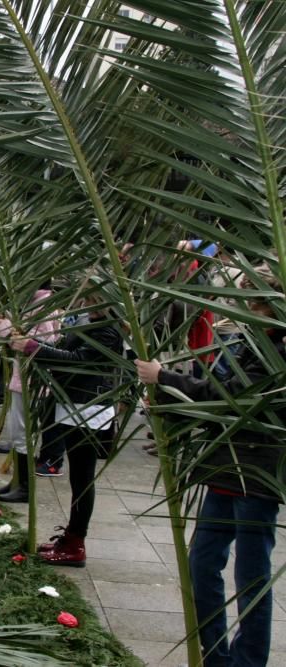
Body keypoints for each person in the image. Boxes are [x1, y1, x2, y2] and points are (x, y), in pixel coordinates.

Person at [136, 264, 283, 667]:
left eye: (253, 303)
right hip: (224, 468)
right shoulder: (252, 342)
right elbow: (214, 396)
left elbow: (232, 397)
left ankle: (247, 661)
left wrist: (164, 378)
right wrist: (168, 403)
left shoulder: (276, 350)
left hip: (255, 474)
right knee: (202, 564)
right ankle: (216, 655)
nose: (245, 309)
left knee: (251, 578)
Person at [9, 283, 122, 566]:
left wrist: (34, 347)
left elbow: (78, 361)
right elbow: (63, 350)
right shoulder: (93, 323)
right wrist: (33, 346)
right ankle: (72, 536)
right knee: (78, 478)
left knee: (83, 479)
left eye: (87, 296)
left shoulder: (107, 329)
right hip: (76, 405)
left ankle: (76, 543)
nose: (81, 300)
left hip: (89, 409)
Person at [0, 286, 61, 503]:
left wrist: (6, 327)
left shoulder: (42, 305)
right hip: (24, 377)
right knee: (19, 432)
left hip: (32, 380)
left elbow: (46, 343)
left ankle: (25, 488)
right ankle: (18, 482)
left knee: (23, 434)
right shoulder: (35, 302)